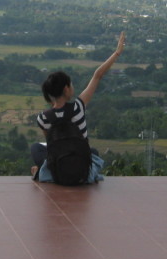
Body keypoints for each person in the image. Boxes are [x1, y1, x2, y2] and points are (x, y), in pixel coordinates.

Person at [31, 32, 126, 183]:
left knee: (36, 148)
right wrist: (117, 53)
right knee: (92, 151)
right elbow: (97, 75)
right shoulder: (78, 108)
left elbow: (51, 145)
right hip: (81, 169)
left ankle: (44, 171)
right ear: (66, 89)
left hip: (58, 169)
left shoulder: (43, 118)